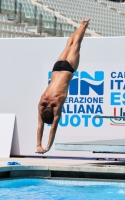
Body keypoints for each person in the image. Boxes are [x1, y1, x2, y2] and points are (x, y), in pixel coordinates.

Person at [36, 18, 90, 154]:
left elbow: (53, 128)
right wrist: (38, 144)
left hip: (68, 69)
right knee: (68, 45)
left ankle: (83, 25)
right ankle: (79, 26)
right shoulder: (42, 102)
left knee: (76, 43)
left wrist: (47, 147)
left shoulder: (57, 102)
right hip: (56, 68)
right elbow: (39, 126)